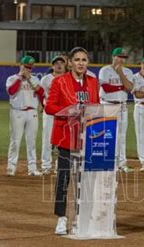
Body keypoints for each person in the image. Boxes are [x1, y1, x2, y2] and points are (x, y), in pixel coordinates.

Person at [44, 47, 100, 235]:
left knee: (85, 180)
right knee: (64, 178)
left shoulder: (92, 82)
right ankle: (61, 218)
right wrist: (70, 109)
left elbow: (97, 105)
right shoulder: (59, 81)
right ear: (70, 62)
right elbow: (49, 107)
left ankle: (82, 216)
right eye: (77, 59)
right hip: (66, 136)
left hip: (87, 137)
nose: (81, 63)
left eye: (84, 60)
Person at [6, 55, 44, 176]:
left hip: (32, 112)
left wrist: (29, 79)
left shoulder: (35, 79)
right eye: (26, 66)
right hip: (17, 112)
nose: (28, 69)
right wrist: (20, 78)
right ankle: (11, 167)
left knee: (31, 142)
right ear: (20, 65)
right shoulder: (12, 79)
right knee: (15, 141)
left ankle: (32, 169)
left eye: (30, 67)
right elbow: (11, 91)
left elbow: (41, 92)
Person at [98, 47, 134, 172]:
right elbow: (106, 88)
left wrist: (121, 74)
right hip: (107, 104)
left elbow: (129, 88)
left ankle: (122, 163)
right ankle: (107, 161)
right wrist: (121, 87)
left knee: (122, 135)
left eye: (124, 57)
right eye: (119, 57)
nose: (122, 60)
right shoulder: (105, 70)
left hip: (122, 106)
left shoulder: (128, 72)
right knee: (107, 134)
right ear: (113, 57)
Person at [40, 55, 66, 175]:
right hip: (50, 114)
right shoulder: (46, 79)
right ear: (52, 66)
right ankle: (46, 165)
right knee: (47, 140)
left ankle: (59, 166)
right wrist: (42, 106)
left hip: (65, 114)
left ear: (65, 65)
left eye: (61, 63)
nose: (59, 65)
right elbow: (41, 95)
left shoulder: (69, 78)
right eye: (56, 63)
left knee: (62, 141)